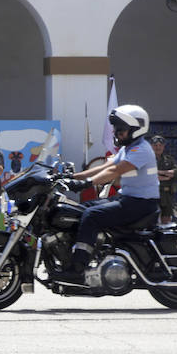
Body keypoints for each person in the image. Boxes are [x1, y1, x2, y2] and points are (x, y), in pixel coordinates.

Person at [56, 104, 161, 282]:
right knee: (82, 209)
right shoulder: (129, 148)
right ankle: (82, 252)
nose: (116, 133)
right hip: (129, 199)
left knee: (91, 215)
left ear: (135, 130)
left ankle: (78, 267)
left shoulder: (141, 149)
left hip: (140, 204)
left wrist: (85, 184)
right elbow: (107, 166)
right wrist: (73, 177)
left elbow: (114, 172)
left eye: (121, 130)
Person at [150, 135, 177, 225]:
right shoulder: (148, 159)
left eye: (160, 145)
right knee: (152, 218)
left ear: (163, 146)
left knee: (166, 218)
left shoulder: (169, 160)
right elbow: (150, 174)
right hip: (152, 194)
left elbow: (176, 172)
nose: (158, 147)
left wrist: (160, 173)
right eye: (155, 145)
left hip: (166, 194)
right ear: (151, 146)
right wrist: (166, 174)